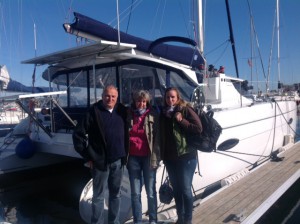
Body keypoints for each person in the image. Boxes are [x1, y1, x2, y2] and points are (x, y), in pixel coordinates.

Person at [72, 85, 128, 224]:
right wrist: (88, 157)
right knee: (98, 196)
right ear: (102, 96)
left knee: (116, 195)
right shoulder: (94, 111)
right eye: (107, 96)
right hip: (100, 162)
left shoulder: (122, 110)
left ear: (117, 97)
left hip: (118, 161)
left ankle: (114, 222)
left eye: (113, 96)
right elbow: (78, 135)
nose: (110, 99)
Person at [159, 87, 202, 224]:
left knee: (185, 189)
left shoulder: (185, 110)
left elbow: (198, 128)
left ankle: (188, 219)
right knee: (176, 190)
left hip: (186, 157)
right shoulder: (164, 114)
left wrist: (181, 120)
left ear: (178, 98)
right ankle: (180, 218)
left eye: (173, 97)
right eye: (167, 97)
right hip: (170, 159)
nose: (170, 100)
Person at [127, 90, 160, 224]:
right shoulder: (128, 114)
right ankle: (138, 221)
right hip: (133, 158)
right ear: (135, 102)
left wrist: (156, 158)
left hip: (148, 157)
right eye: (139, 101)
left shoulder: (152, 115)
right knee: (135, 193)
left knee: (151, 192)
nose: (141, 104)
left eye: (144, 101)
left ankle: (153, 220)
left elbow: (157, 138)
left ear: (147, 102)